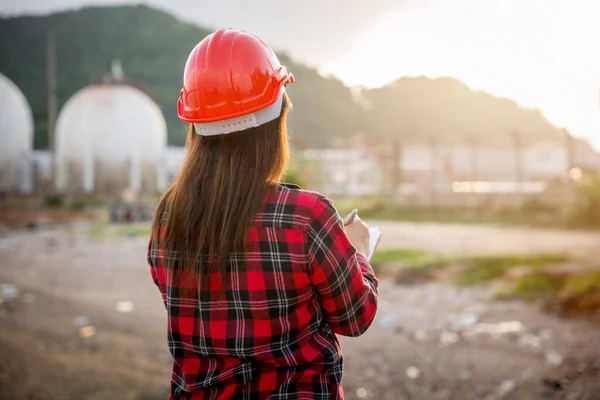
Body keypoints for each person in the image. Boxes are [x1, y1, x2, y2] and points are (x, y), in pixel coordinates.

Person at [148, 28, 378, 400]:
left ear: (194, 126)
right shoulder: (307, 217)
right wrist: (358, 253)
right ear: (275, 124)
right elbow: (355, 317)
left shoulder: (168, 217)